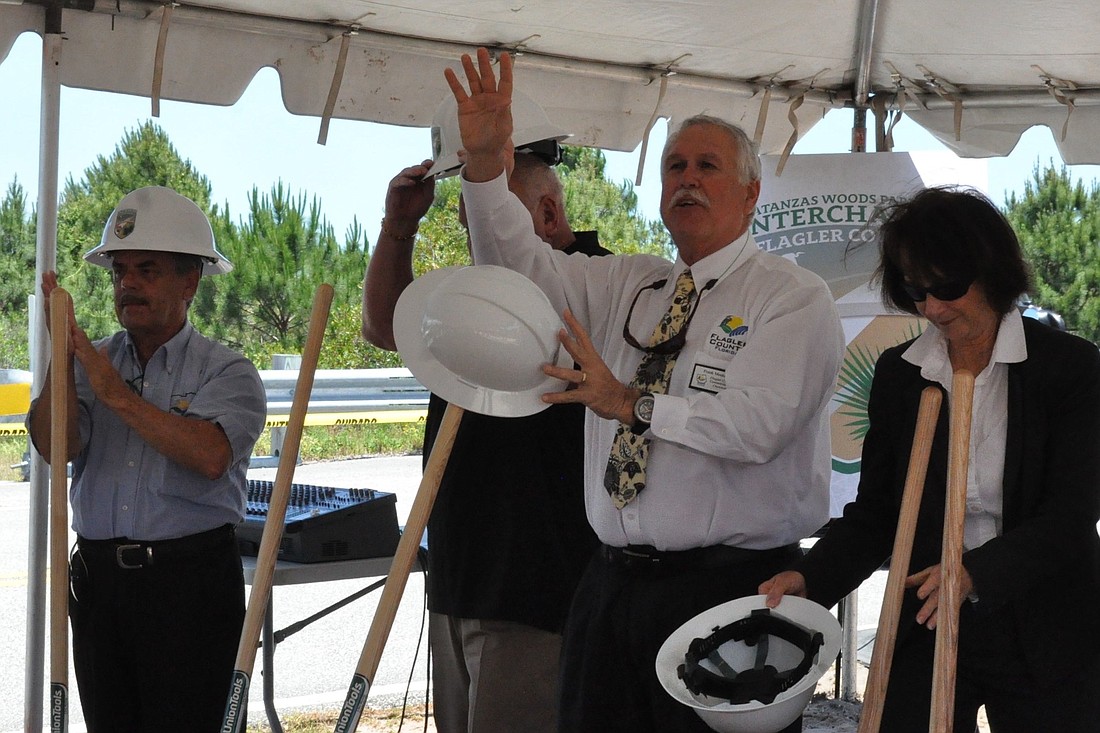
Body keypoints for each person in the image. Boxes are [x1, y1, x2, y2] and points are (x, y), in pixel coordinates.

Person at [444, 48, 844, 732]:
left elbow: (757, 426)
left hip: (731, 589)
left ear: (750, 195)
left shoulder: (791, 297)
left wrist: (632, 403)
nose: (686, 180)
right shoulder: (631, 283)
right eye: (674, 168)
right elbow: (518, 272)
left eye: (706, 167)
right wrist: (486, 170)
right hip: (610, 585)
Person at [760, 187, 1100, 732]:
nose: (932, 308)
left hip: (1045, 622)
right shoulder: (900, 373)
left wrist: (974, 573)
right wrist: (810, 577)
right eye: (916, 290)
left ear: (992, 271)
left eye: (947, 286)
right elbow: (878, 515)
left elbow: (1070, 516)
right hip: (926, 611)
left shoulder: (1070, 368)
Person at [362, 96, 610, 733]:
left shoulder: (601, 287)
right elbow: (386, 327)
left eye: (493, 207)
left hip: (540, 590)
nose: (479, 228)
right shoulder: (475, 290)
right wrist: (398, 230)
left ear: (547, 215)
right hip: (460, 575)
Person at [27, 186, 267, 733]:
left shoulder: (227, 372)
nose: (127, 284)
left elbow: (208, 456)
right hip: (100, 586)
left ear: (190, 282)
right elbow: (54, 445)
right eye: (119, 271)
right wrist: (61, 363)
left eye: (148, 270)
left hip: (188, 589)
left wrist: (111, 390)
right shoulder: (91, 362)